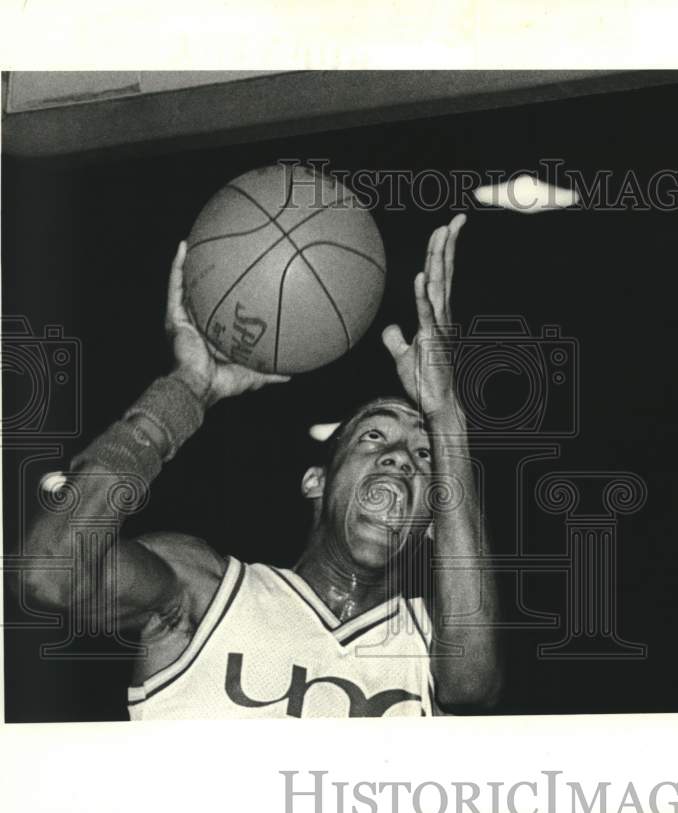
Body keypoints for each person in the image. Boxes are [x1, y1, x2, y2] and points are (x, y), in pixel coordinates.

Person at [25, 214, 501, 718]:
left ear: (434, 521)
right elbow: (48, 575)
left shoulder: (435, 648)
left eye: (425, 455)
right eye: (374, 435)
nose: (400, 458)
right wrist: (186, 390)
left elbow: (472, 687)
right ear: (315, 480)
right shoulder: (204, 592)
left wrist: (447, 413)